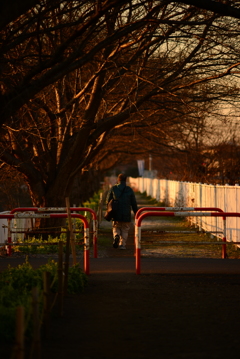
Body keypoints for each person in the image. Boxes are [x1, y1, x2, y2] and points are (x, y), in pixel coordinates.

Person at [106, 173, 138, 249]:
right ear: (125, 180)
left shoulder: (113, 188)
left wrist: (110, 208)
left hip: (116, 213)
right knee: (125, 229)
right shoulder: (129, 190)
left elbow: (108, 201)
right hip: (126, 213)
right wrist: (136, 213)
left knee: (116, 227)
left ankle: (116, 236)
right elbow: (133, 203)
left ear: (118, 179)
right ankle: (122, 245)